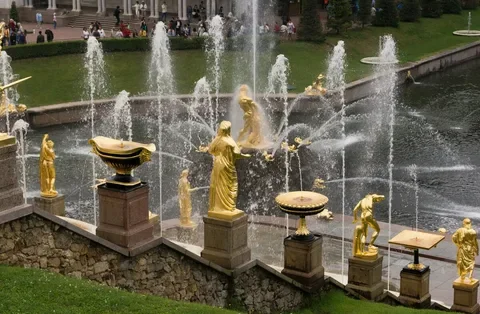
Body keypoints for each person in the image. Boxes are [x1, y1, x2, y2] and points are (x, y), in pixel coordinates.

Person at [207, 121, 250, 214]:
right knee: (230, 184)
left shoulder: (217, 140)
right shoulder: (230, 141)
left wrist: (218, 154)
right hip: (227, 165)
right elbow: (237, 154)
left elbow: (210, 150)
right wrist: (245, 156)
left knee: (219, 185)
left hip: (218, 164)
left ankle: (219, 207)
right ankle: (229, 207)